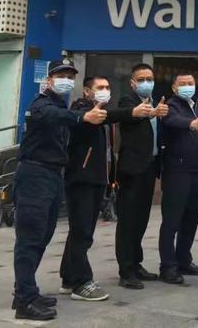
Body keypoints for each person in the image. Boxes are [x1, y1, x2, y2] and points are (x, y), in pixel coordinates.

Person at [11, 58, 107, 321]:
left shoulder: (60, 105)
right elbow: (53, 117)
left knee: (43, 236)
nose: (67, 80)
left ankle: (26, 291)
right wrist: (82, 116)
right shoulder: (41, 105)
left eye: (70, 76)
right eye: (61, 75)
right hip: (35, 175)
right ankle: (24, 301)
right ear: (49, 80)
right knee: (30, 239)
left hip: (53, 176)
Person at [58, 75, 122, 301]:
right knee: (82, 233)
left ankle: (68, 277)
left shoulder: (99, 113)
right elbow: (107, 117)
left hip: (97, 179)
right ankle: (81, 282)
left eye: (107, 87)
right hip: (81, 180)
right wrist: (133, 112)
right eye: (100, 87)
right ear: (87, 91)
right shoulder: (81, 111)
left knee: (80, 230)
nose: (105, 90)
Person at [114, 63, 170, 289]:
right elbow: (132, 115)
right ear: (132, 83)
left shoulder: (155, 102)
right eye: (142, 79)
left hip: (149, 168)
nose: (147, 82)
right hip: (132, 170)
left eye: (150, 79)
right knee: (128, 221)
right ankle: (126, 270)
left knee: (141, 220)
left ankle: (136, 263)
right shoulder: (127, 101)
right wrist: (150, 113)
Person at [158, 72, 198, 283]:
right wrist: (191, 124)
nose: (188, 86)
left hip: (194, 170)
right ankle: (167, 266)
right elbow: (172, 120)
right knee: (172, 219)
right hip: (176, 171)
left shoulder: (193, 106)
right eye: (183, 83)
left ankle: (183, 260)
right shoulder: (171, 106)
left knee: (191, 217)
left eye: (191, 83)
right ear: (174, 87)